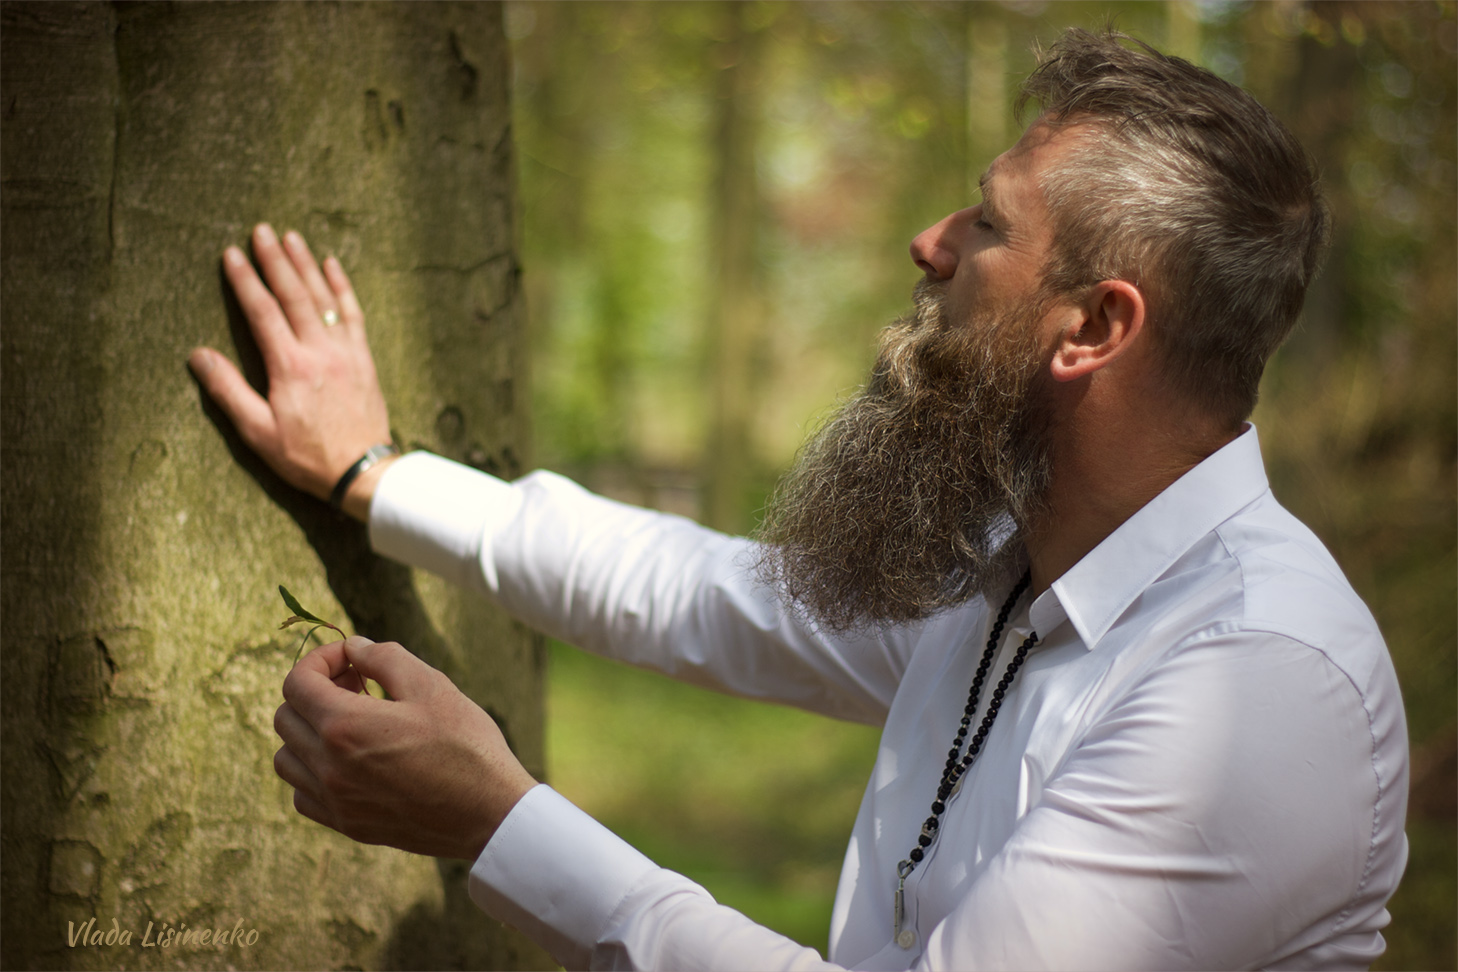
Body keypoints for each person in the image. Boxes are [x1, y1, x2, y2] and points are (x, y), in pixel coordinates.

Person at [189, 29, 1408, 971]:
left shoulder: (1257, 686)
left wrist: (500, 821)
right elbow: (702, 595)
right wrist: (372, 476)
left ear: (1091, 327)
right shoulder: (1020, 562)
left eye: (987, 222)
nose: (927, 244)